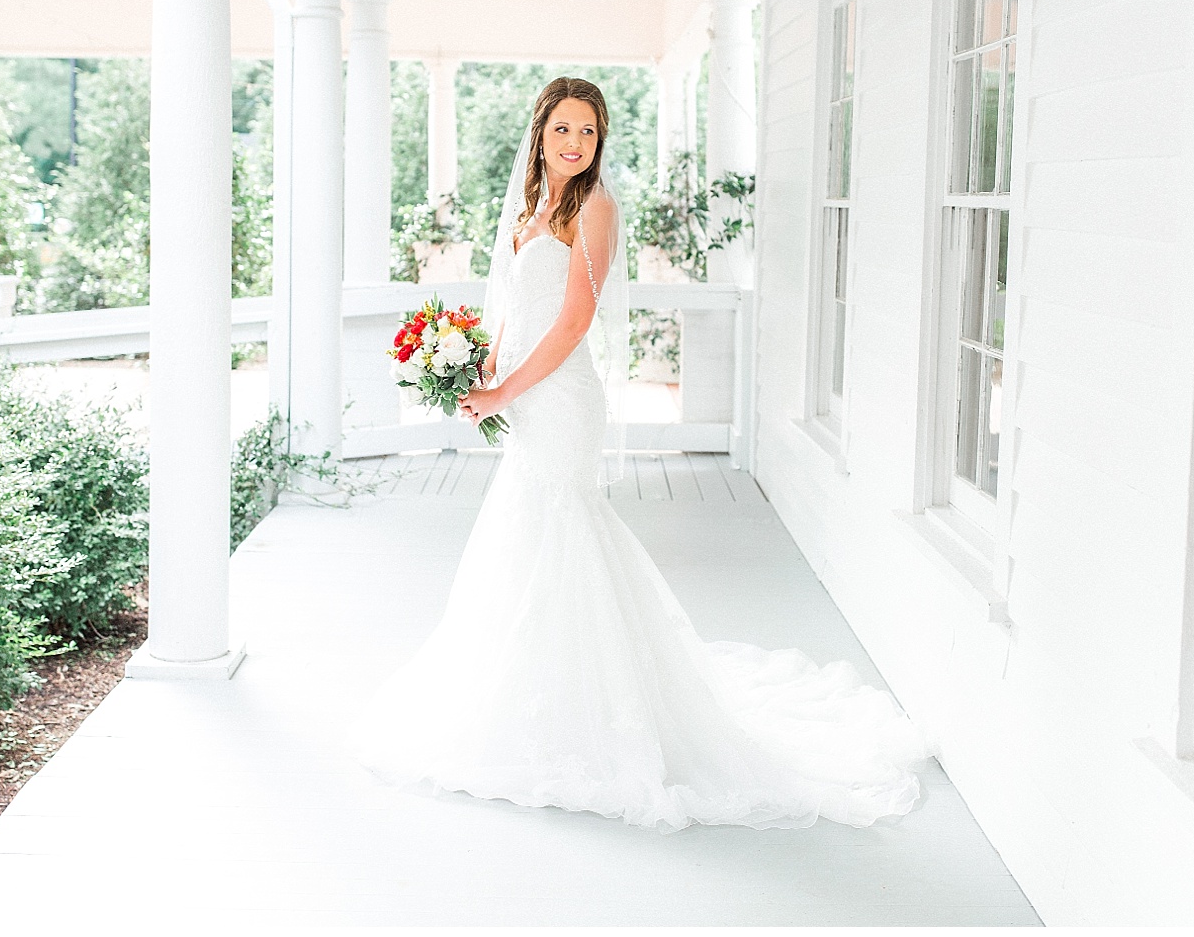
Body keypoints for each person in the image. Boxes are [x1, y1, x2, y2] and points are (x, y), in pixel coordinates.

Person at [346, 76, 925, 832]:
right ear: (540, 132)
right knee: (529, 533)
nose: (575, 144)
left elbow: (573, 322)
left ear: (598, 142)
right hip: (524, 392)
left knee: (561, 527)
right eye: (563, 129)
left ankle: (587, 711)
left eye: (588, 132)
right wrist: (481, 367)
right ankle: (535, 690)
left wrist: (505, 391)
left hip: (560, 399)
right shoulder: (531, 210)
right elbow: (520, 311)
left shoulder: (595, 208)